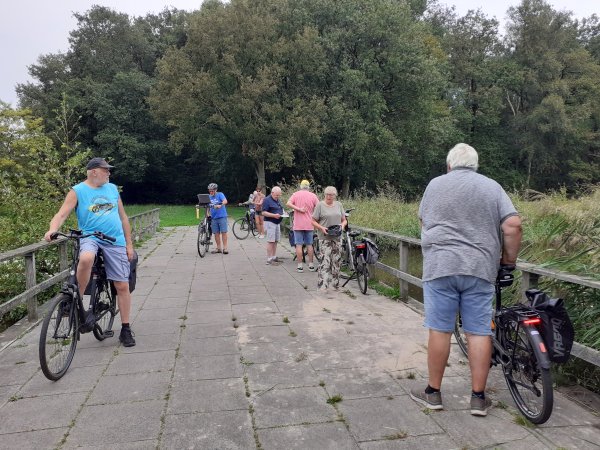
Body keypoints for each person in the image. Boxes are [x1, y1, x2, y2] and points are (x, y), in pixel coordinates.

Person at [410, 143, 522, 417]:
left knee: (440, 329)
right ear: (475, 165)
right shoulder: (492, 187)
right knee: (479, 331)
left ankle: (433, 394)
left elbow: (423, 221)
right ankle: (478, 399)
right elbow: (513, 225)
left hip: (440, 267)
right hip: (479, 269)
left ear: (449, 165)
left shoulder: (435, 185)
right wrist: (508, 261)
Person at [44, 157, 137, 347]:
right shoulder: (78, 191)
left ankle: (126, 328)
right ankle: (74, 298)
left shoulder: (112, 189)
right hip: (90, 237)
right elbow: (61, 214)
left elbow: (123, 217)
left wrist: (129, 244)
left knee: (121, 285)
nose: (109, 173)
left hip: (115, 240)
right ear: (94, 171)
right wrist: (52, 229)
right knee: (86, 258)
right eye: (106, 170)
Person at [311, 186, 347, 292]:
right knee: (325, 262)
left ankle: (335, 284)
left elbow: (344, 220)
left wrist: (342, 226)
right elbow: (313, 221)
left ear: (335, 195)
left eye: (331, 194)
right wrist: (321, 228)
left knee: (336, 262)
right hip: (324, 237)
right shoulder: (320, 205)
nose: (329, 196)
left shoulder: (339, 205)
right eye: (327, 194)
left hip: (337, 237)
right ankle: (323, 285)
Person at [286, 179, 319, 272]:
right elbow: (319, 207)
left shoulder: (295, 194)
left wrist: (298, 209)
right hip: (309, 224)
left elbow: (288, 203)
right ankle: (311, 265)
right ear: (308, 187)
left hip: (298, 224)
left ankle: (300, 266)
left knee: (299, 245)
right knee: (309, 244)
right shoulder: (313, 196)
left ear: (300, 186)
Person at [261, 186, 284, 265]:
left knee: (276, 240)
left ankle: (274, 256)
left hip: (277, 222)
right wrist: (274, 215)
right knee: (270, 241)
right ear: (272, 193)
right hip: (270, 222)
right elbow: (263, 212)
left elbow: (280, 208)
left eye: (279, 195)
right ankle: (269, 258)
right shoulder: (267, 200)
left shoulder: (277, 200)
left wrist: (283, 213)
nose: (277, 197)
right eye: (276, 195)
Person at [207, 182, 229, 254]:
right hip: (214, 218)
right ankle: (218, 248)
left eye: (212, 191)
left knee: (223, 232)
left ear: (216, 190)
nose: (211, 192)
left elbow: (225, 201)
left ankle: (225, 248)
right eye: (209, 191)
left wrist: (221, 205)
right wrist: (208, 214)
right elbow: (207, 206)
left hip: (222, 216)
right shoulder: (209, 197)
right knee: (216, 233)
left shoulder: (220, 194)